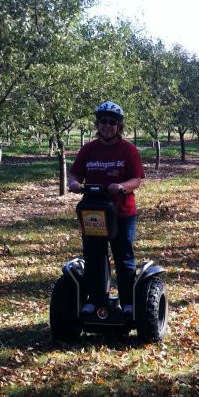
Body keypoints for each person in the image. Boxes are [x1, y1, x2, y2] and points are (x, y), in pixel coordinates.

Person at [68, 101, 145, 314]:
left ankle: (128, 302)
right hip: (94, 211)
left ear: (119, 126)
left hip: (121, 213)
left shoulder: (129, 150)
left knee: (123, 257)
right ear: (98, 124)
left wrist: (121, 186)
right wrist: (73, 183)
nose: (107, 126)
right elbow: (74, 173)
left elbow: (136, 180)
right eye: (103, 121)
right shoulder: (89, 149)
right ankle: (95, 299)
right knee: (94, 255)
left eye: (112, 122)